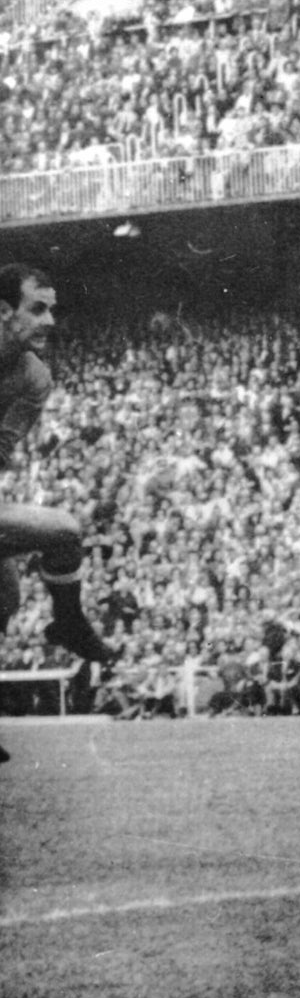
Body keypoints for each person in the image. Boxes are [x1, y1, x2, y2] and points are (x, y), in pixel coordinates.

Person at [0, 263, 120, 764]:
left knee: (5, 596)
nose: (50, 319)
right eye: (38, 308)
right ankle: (67, 623)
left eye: (53, 308)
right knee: (65, 529)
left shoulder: (34, 376)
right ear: (4, 312)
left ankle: (67, 624)